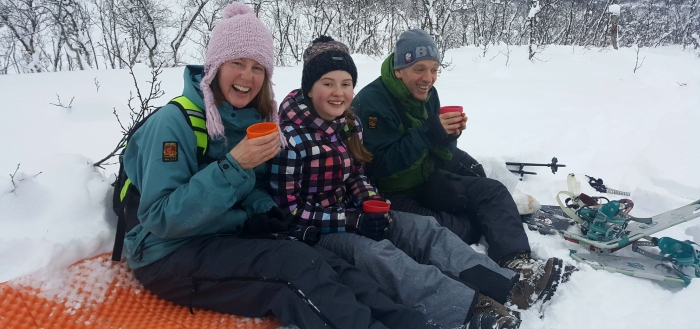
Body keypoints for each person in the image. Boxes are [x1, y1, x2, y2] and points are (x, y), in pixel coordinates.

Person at [117, 4, 434, 329]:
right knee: (296, 269)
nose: (247, 76)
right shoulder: (173, 124)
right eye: (237, 63)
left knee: (332, 264)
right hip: (167, 254)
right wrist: (233, 165)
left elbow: (251, 187)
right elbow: (160, 219)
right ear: (214, 67)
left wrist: (267, 211)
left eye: (258, 67)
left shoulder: (249, 118)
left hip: (225, 233)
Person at [268, 36, 545, 329]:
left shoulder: (349, 123)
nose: (339, 93)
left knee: (424, 229)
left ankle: (507, 286)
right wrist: (354, 221)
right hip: (316, 231)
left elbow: (357, 174)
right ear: (309, 87)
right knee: (379, 255)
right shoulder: (290, 140)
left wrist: (371, 201)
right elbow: (290, 213)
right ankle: (466, 311)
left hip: (354, 213)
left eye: (346, 83)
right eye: (328, 83)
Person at [352, 29, 570, 310]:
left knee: (491, 191)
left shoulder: (428, 95)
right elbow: (380, 167)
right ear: (398, 70)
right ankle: (485, 232)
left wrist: (447, 137)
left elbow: (439, 153)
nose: (428, 78)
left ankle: (517, 260)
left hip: (427, 179)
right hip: (393, 194)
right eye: (419, 69)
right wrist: (430, 133)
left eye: (433, 69)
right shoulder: (372, 102)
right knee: (446, 229)